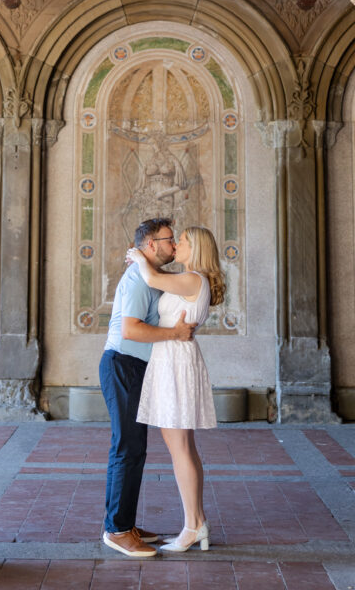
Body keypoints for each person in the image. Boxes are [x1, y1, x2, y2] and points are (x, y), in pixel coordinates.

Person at [99, 217, 197, 559]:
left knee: (134, 447)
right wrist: (176, 335)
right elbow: (131, 330)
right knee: (127, 446)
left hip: (134, 367)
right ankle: (117, 530)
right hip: (122, 363)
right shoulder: (140, 278)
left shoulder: (152, 275)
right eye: (169, 240)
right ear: (151, 245)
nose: (173, 246)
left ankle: (125, 522)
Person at [126, 226, 226, 553]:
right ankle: (196, 522)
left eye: (182, 241)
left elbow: (153, 280)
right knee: (182, 445)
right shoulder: (191, 279)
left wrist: (139, 255)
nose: (177, 244)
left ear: (195, 248)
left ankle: (192, 526)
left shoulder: (194, 278)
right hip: (173, 359)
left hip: (176, 361)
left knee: (180, 446)